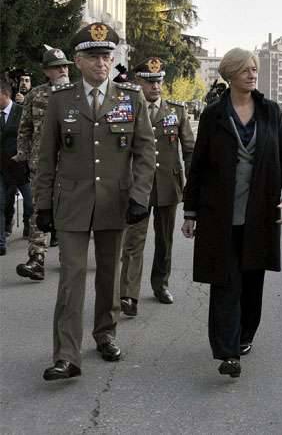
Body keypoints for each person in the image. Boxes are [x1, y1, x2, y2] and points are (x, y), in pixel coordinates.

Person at [36, 23, 156, 381]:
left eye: (106, 56)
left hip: (114, 201)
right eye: (93, 56)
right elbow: (46, 157)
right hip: (71, 202)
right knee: (71, 278)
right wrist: (42, 204)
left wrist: (139, 195)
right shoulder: (61, 100)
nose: (102, 63)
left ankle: (105, 334)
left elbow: (145, 152)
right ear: (77, 60)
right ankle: (66, 356)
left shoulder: (130, 98)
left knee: (108, 275)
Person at [181, 48, 282, 378]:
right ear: (229, 75)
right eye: (245, 70)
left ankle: (245, 334)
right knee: (225, 280)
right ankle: (227, 351)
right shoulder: (214, 115)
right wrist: (191, 212)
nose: (251, 74)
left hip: (259, 213)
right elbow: (199, 165)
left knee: (251, 280)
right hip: (219, 213)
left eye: (254, 69)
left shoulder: (270, 112)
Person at [119, 58, 195, 317]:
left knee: (164, 241)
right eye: (149, 81)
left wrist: (193, 185)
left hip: (167, 186)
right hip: (137, 187)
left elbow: (189, 150)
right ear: (138, 82)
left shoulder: (177, 111)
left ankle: (161, 284)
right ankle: (128, 294)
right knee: (133, 241)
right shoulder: (126, 109)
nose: (155, 86)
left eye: (159, 81)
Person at [14, 46, 73, 279]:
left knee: (69, 211)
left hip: (72, 164)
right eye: (56, 67)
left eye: (65, 66)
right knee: (39, 210)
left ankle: (68, 256)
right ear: (46, 71)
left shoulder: (77, 94)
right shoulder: (35, 95)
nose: (62, 70)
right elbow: (25, 129)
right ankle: (36, 259)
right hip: (42, 164)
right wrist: (22, 156)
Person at [0, 81, 29, 256]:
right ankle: (1, 242)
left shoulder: (21, 111)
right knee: (1, 204)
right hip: (1, 168)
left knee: (30, 202)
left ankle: (31, 227)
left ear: (5, 94)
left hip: (20, 167)